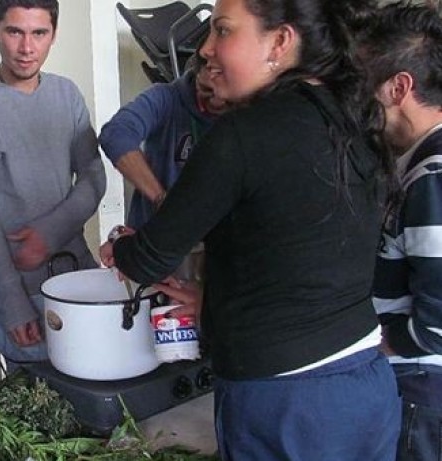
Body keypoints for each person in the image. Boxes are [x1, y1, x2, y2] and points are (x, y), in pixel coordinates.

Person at [101, 0, 401, 459]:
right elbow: (300, 249)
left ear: (280, 42)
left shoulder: (242, 134)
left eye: (222, 31)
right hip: (366, 380)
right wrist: (212, 297)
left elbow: (149, 258)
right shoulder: (353, 120)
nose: (205, 49)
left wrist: (122, 244)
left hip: (285, 401)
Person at [0, 0, 106, 366]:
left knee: (103, 389)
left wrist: (49, 231)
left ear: (54, 35)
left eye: (39, 33)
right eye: (15, 32)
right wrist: (12, 302)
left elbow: (94, 177)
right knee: (40, 406)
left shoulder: (67, 94)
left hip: (78, 270)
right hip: (18, 288)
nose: (27, 48)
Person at [360, 4, 442, 460]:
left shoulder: (432, 174)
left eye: (363, 88)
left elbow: (439, 325)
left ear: (399, 87)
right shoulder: (415, 164)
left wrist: (366, 345)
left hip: (421, 391)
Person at [99, 54, 228, 229]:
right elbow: (115, 134)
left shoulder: (248, 108)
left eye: (225, 91)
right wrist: (161, 199)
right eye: (207, 90)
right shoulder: (166, 98)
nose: (218, 100)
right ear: (196, 76)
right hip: (160, 236)